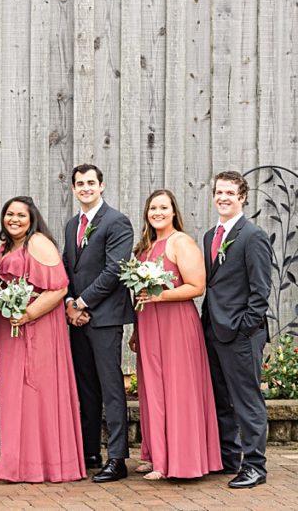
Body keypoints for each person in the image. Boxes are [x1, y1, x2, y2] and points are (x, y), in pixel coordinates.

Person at [127, 189, 220, 480]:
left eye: (163, 207)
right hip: (148, 323)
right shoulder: (144, 247)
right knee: (152, 389)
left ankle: (179, 459)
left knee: (178, 389)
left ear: (173, 211)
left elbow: (196, 286)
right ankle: (157, 453)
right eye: (153, 207)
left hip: (176, 324)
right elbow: (139, 291)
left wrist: (161, 296)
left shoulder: (181, 242)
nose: (157, 212)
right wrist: (135, 329)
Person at [0, 196, 85, 483]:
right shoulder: (6, 247)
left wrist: (28, 313)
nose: (15, 219)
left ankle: (44, 463)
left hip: (39, 327)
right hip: (9, 328)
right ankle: (17, 463)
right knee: (13, 393)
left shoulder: (39, 243)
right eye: (10, 214)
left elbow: (58, 288)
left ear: (32, 218)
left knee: (38, 390)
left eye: (21, 214)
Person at [61, 164, 134, 482]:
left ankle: (117, 457)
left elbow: (114, 271)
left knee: (111, 388)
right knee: (85, 387)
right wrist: (68, 304)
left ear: (102, 186)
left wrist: (82, 302)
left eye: (91, 183)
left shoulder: (117, 222)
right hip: (77, 319)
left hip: (104, 318)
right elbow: (66, 266)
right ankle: (90, 450)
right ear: (74, 189)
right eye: (80, 184)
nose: (85, 188)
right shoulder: (72, 224)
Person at [201, 171, 272, 489]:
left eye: (230, 192)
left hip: (242, 334)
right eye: (219, 192)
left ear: (242, 196)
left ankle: (255, 465)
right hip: (214, 331)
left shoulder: (252, 235)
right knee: (222, 400)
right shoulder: (208, 236)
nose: (223, 197)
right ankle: (229, 458)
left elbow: (261, 290)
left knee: (246, 400)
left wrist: (246, 328)